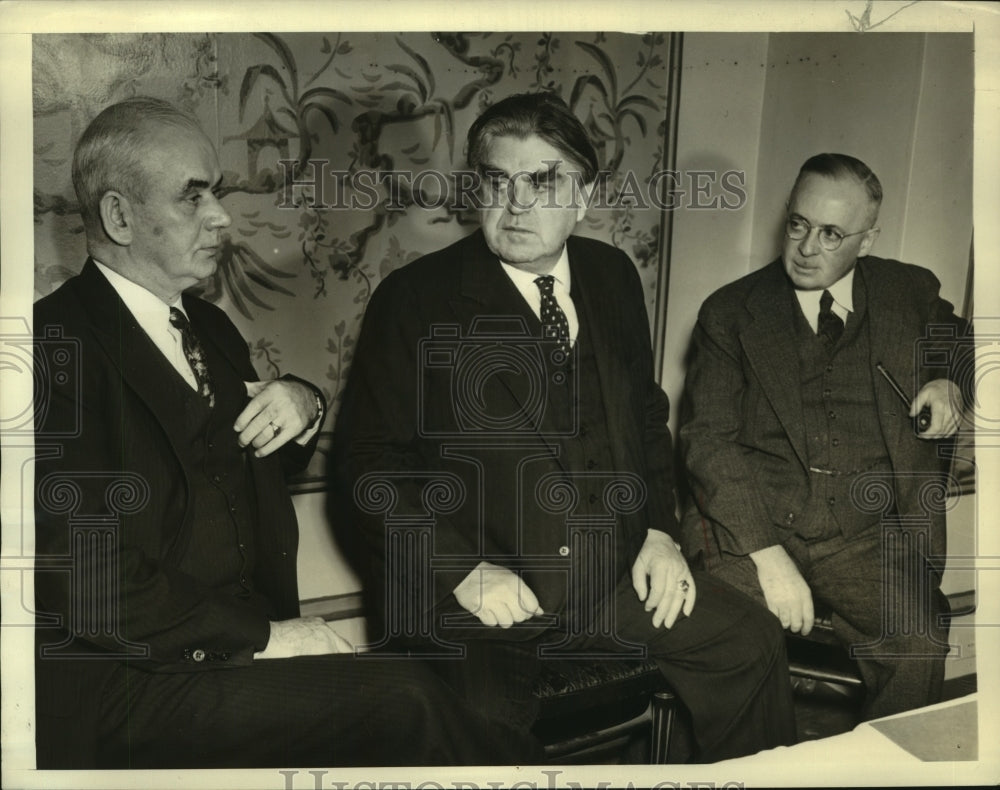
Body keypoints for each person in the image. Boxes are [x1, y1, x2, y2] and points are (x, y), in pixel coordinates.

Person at [32, 96, 503, 769]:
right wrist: (265, 637)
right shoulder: (50, 347)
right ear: (117, 215)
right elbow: (83, 576)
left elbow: (244, 465)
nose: (222, 216)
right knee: (404, 699)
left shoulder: (211, 331)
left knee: (421, 690)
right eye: (193, 197)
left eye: (215, 193)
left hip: (228, 661)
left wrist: (304, 399)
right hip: (130, 684)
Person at [332, 91, 797, 763]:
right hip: (477, 603)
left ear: (584, 196)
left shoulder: (611, 277)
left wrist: (659, 532)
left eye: (544, 183)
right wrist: (461, 572)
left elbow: (643, 418)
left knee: (747, 642)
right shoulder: (414, 300)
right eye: (498, 181)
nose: (517, 205)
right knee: (480, 723)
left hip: (608, 577)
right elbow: (366, 466)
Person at [679, 153, 970, 720]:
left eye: (832, 233)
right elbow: (707, 441)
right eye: (798, 225)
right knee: (731, 643)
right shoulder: (730, 313)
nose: (808, 247)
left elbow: (961, 339)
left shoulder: (907, 291)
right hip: (753, 526)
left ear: (866, 240)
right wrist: (767, 557)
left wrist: (950, 382)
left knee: (919, 643)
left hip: (864, 537)